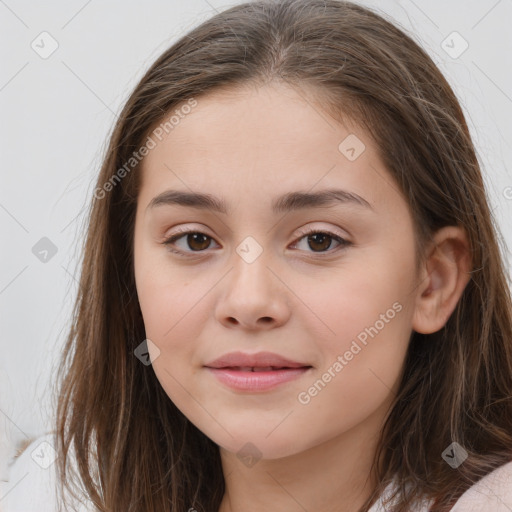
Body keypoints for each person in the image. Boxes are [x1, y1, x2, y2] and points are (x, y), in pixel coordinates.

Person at [3, 0, 512, 511]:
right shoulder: (49, 493)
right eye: (194, 240)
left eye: (319, 240)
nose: (249, 302)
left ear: (434, 281)